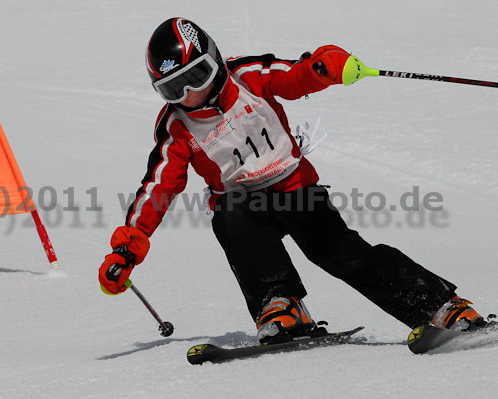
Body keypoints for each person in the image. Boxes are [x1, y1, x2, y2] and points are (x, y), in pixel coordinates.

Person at [98, 17, 491, 344]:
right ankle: (281, 305)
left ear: (214, 61)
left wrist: (323, 68)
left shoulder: (247, 77)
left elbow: (292, 77)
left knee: (345, 255)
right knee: (229, 214)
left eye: (197, 76)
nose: (191, 94)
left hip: (295, 190)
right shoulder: (177, 127)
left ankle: (441, 307)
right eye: (173, 88)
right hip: (244, 206)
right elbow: (158, 187)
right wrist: (127, 249)